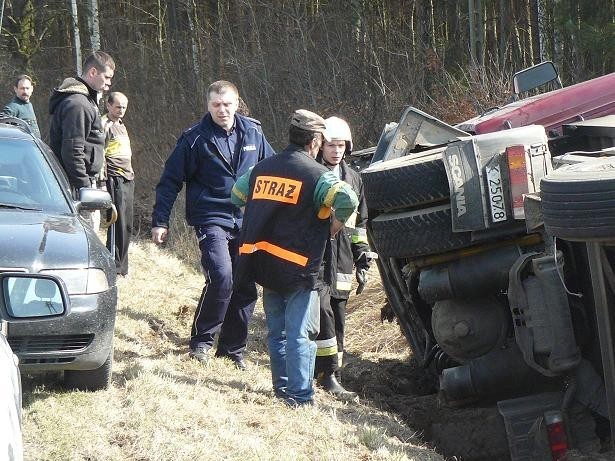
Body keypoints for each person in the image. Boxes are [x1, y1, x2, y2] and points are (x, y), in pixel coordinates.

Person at [231, 109, 359, 407]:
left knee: (277, 332)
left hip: (264, 262)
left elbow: (236, 195)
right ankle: (301, 397)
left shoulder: (263, 169)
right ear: (315, 141)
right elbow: (348, 199)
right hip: (300, 267)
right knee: (301, 334)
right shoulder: (317, 176)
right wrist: (332, 227)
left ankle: (281, 389)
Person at [151, 80, 274, 369]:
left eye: (227, 104)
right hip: (211, 217)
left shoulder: (254, 132)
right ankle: (202, 342)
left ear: (237, 103)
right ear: (208, 105)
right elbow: (170, 181)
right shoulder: (194, 138)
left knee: (244, 286)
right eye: (216, 105)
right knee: (221, 277)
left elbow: (274, 171)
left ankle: (232, 351)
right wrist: (160, 220)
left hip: (247, 219)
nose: (222, 110)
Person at [314, 116, 376, 399]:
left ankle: (334, 373)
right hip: (317, 258)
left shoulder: (354, 178)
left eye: (340, 145)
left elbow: (359, 224)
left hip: (342, 262)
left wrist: (362, 256)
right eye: (330, 145)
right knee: (321, 316)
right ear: (319, 146)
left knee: (337, 318)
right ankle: (325, 375)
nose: (336, 151)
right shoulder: (312, 174)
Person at [49, 51, 115, 193]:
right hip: (73, 186)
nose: (109, 83)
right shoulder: (78, 104)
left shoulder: (85, 100)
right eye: (107, 77)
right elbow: (72, 151)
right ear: (93, 72)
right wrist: (84, 187)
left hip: (79, 182)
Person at [101, 92, 133, 276]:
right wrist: (103, 181)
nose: (121, 111)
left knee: (127, 224)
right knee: (117, 222)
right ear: (108, 105)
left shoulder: (121, 125)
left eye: (124, 107)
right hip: (114, 178)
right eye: (118, 107)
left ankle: (123, 266)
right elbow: (100, 153)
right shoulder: (104, 124)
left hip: (128, 177)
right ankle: (113, 265)